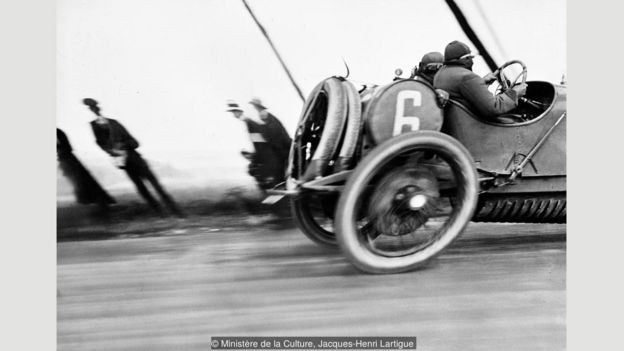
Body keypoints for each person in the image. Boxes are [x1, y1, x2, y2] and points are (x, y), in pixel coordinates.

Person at [82, 98, 184, 217]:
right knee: (142, 189)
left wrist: (123, 145)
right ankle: (160, 213)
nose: (95, 110)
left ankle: (176, 211)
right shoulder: (94, 126)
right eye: (92, 108)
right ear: (90, 110)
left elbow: (135, 142)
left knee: (157, 186)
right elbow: (100, 143)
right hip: (125, 163)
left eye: (95, 107)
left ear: (99, 108)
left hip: (136, 159)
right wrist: (112, 151)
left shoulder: (114, 123)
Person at [433, 40, 527, 119]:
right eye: (470, 58)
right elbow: (494, 108)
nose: (472, 61)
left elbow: (463, 93)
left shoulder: (440, 74)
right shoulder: (467, 77)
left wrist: (481, 83)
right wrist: (514, 93)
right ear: (466, 59)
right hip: (476, 127)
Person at [227, 100, 285, 191]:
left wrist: (254, 159)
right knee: (254, 169)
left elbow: (263, 147)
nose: (234, 115)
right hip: (275, 155)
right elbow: (261, 146)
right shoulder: (255, 122)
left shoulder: (253, 123)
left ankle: (275, 188)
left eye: (235, 112)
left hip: (275, 157)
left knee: (254, 170)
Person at [57, 128, 116, 208]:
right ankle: (96, 201)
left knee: (79, 180)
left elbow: (62, 146)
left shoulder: (57, 132)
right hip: (67, 158)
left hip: (66, 158)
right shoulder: (58, 131)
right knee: (80, 180)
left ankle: (93, 201)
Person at [248, 97, 292, 164]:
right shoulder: (267, 116)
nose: (254, 108)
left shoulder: (265, 115)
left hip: (283, 147)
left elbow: (273, 134)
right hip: (283, 146)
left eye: (255, 106)